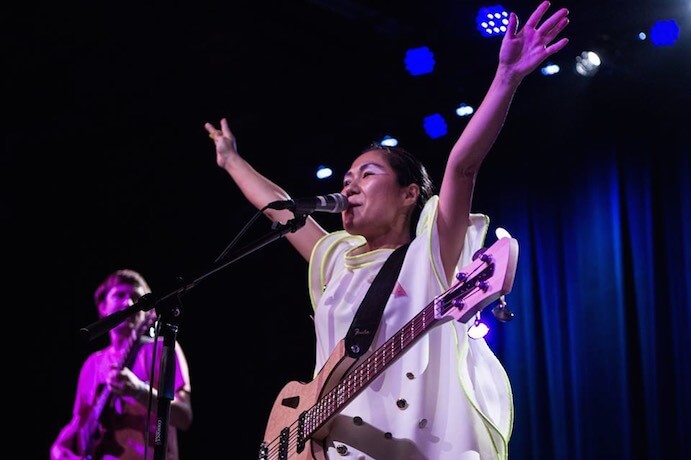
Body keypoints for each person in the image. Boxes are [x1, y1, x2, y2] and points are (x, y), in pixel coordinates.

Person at [205, 2, 568, 458]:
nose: (349, 184)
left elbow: (462, 167)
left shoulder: (429, 255)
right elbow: (277, 210)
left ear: (409, 194)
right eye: (346, 178)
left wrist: (506, 79)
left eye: (367, 174)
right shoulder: (337, 260)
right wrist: (232, 160)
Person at [50, 269, 193, 460]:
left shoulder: (162, 348)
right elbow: (79, 422)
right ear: (102, 306)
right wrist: (59, 449)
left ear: (148, 312)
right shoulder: (92, 364)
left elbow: (184, 417)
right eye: (119, 295)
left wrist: (139, 391)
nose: (128, 302)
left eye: (136, 297)